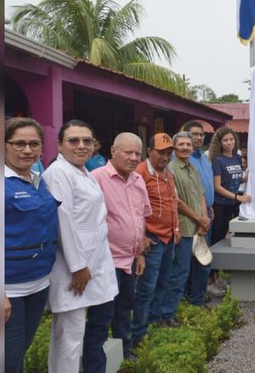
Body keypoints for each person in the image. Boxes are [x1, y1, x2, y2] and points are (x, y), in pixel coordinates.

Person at [42, 120, 118, 373]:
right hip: (73, 267)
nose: (81, 146)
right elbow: (63, 221)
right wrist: (78, 266)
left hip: (93, 261)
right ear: (60, 144)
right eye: (73, 140)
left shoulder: (83, 171)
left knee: (84, 332)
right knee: (69, 338)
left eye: (87, 140)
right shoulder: (58, 173)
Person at [90, 133, 152, 360]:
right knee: (101, 314)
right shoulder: (96, 179)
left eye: (138, 153)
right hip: (106, 260)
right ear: (113, 151)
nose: (134, 157)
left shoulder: (138, 180)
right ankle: (96, 358)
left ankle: (124, 351)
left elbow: (140, 219)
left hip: (130, 258)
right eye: (128, 152)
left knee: (125, 307)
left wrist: (141, 254)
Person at [4, 118, 59, 373]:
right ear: (4, 146)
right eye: (19, 143)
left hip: (39, 283)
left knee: (20, 350)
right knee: (6, 359)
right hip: (8, 289)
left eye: (34, 144)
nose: (27, 150)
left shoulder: (39, 180)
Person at [130, 133, 182, 354]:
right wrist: (140, 236)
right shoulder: (140, 173)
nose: (166, 156)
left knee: (164, 281)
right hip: (153, 239)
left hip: (169, 237)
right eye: (161, 152)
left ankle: (155, 318)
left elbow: (173, 202)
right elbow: (133, 208)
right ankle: (139, 332)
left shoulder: (168, 173)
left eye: (169, 152)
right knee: (145, 288)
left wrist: (176, 228)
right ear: (149, 152)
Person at [176, 121, 218, 304]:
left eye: (201, 134)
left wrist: (207, 212)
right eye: (194, 134)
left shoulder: (202, 158)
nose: (198, 138)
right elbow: (178, 198)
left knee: (202, 258)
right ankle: (190, 299)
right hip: (188, 219)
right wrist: (200, 218)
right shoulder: (177, 162)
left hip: (205, 214)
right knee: (186, 263)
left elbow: (202, 190)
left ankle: (197, 297)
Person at [169, 131, 209, 316]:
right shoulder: (171, 169)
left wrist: (204, 218)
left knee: (203, 263)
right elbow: (176, 201)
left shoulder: (193, 168)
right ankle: (171, 312)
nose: (185, 147)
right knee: (181, 271)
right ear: (174, 147)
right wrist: (198, 218)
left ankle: (197, 301)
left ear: (193, 148)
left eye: (188, 145)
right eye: (181, 144)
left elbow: (200, 194)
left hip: (199, 226)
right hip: (184, 227)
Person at [209, 126, 252, 246]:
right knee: (217, 235)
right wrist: (238, 197)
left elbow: (234, 178)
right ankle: (211, 262)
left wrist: (245, 179)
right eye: (225, 140)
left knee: (226, 233)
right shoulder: (218, 160)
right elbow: (217, 186)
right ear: (220, 143)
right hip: (219, 204)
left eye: (231, 139)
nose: (229, 143)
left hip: (231, 204)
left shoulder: (237, 158)